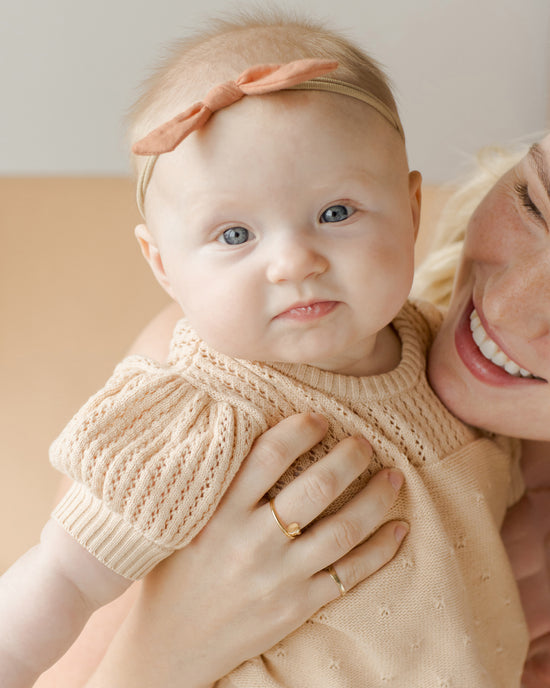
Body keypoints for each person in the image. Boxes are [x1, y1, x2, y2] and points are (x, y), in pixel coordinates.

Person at [0, 14, 528, 688]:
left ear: (412, 208)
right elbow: (63, 578)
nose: (292, 261)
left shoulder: (452, 361)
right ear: (163, 265)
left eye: (336, 213)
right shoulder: (201, 408)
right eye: (234, 234)